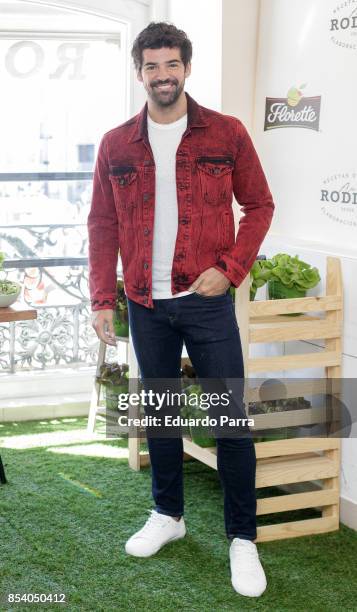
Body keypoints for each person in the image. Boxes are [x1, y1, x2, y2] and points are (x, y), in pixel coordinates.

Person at [88, 22, 275, 598]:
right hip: (145, 301)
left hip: (207, 301)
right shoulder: (116, 144)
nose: (162, 76)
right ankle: (168, 515)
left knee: (229, 421)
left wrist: (233, 268)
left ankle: (242, 539)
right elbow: (102, 224)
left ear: (186, 68)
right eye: (151, 66)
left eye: (171, 65)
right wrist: (101, 297)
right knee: (163, 416)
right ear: (138, 72)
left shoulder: (226, 133)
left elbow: (261, 205)